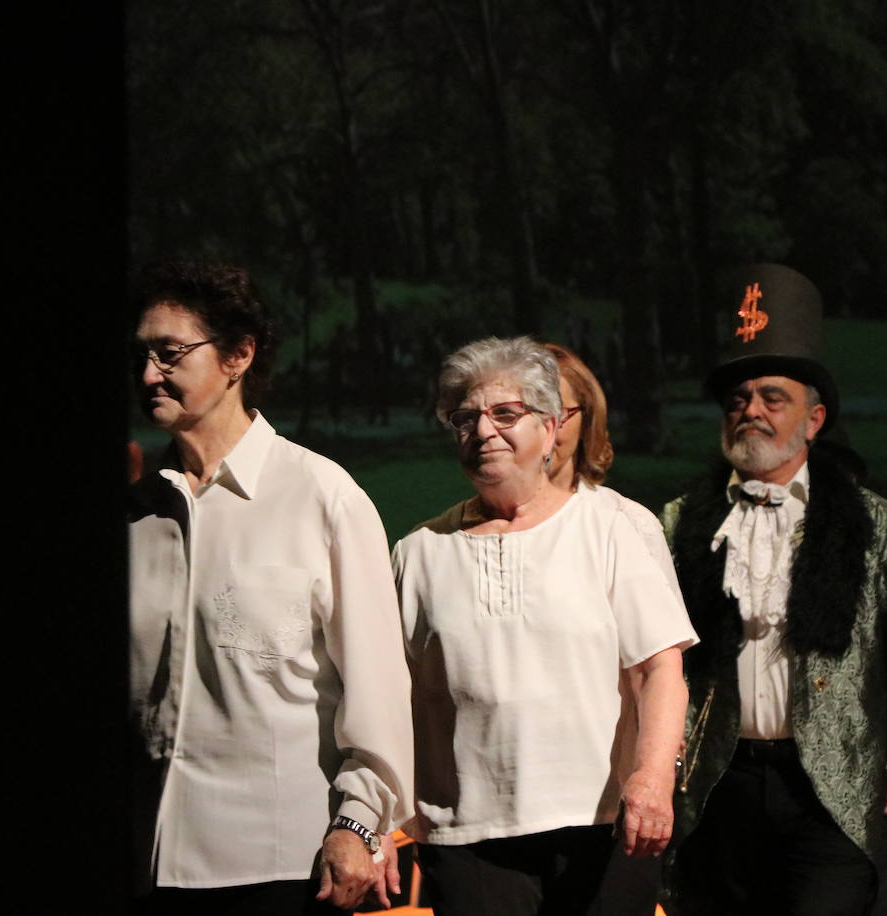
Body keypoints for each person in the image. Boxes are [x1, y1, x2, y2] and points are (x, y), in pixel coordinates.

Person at [127, 261, 414, 915]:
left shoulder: (321, 497)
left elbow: (378, 692)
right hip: (147, 863)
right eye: (140, 356)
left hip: (283, 864)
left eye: (169, 354)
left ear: (238, 355)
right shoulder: (138, 510)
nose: (147, 376)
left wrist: (360, 823)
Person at [661, 263, 887, 915]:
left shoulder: (875, 523)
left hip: (832, 781)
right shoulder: (679, 522)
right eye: (737, 400)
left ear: (814, 420)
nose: (749, 411)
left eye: (771, 397)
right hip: (718, 778)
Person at [392, 336, 698, 916]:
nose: (483, 431)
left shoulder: (610, 529)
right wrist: (378, 821)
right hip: (467, 835)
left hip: (603, 825)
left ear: (552, 426)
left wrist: (653, 780)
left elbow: (661, 668)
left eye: (506, 413)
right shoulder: (419, 553)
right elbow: (389, 695)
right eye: (465, 417)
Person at [542, 342, 675, 916]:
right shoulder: (451, 538)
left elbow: (658, 666)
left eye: (556, 411)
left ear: (585, 419)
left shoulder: (622, 523)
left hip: (602, 810)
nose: (539, 429)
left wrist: (652, 776)